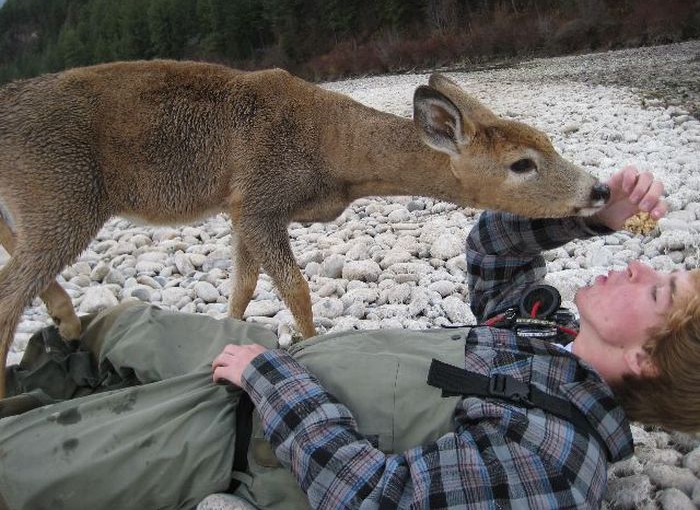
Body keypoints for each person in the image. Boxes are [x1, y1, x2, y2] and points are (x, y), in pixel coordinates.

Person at [0, 166, 698, 510]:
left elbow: (377, 496)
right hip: (269, 359)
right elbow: (493, 248)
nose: (639, 265)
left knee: (23, 464)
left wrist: (269, 380)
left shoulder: (558, 457)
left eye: (658, 289)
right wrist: (591, 213)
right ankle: (53, 376)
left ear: (642, 358)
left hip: (243, 430)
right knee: (114, 327)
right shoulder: (551, 335)